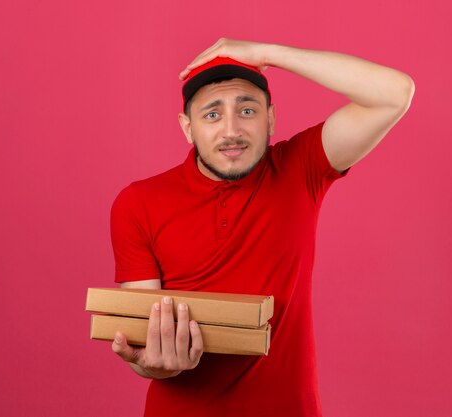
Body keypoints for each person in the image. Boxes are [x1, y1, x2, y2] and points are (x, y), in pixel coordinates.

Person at [109, 38, 414, 417]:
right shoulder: (138, 202)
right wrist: (151, 363)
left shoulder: (300, 169)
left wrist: (269, 55)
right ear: (187, 128)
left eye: (247, 110)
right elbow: (140, 341)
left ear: (271, 118)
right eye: (212, 115)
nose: (231, 130)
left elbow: (394, 93)